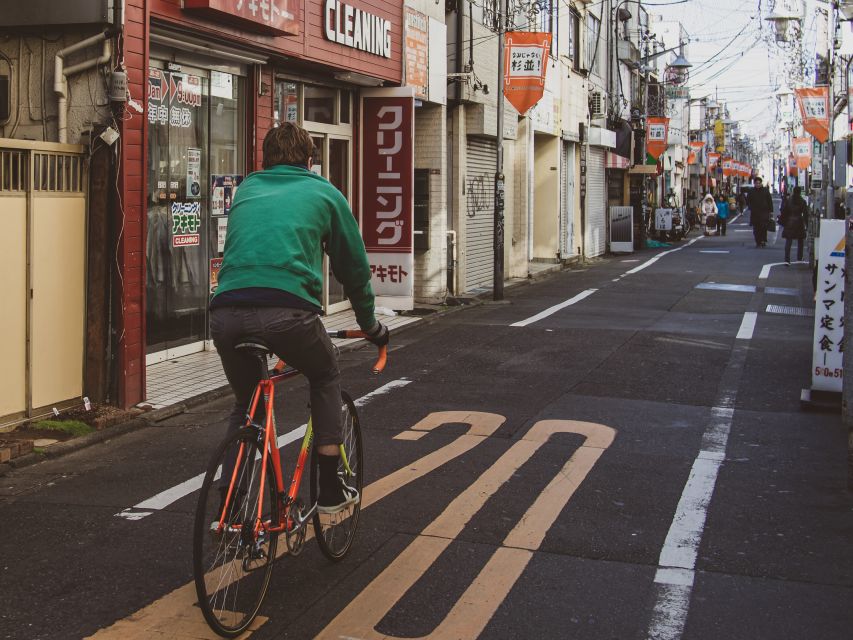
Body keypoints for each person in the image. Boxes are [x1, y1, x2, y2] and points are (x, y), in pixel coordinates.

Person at [209, 122, 389, 514]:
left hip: (225, 313)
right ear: (310, 161)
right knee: (325, 373)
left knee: (248, 402)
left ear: (265, 159)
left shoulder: (247, 189)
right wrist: (371, 325)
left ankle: (229, 504)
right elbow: (354, 270)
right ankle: (328, 490)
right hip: (288, 314)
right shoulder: (325, 193)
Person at [780, 185, 807, 264]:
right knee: (800, 240)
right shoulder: (802, 201)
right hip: (799, 222)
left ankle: (787, 259)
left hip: (789, 222)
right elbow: (805, 213)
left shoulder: (789, 200)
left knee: (789, 241)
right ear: (800, 192)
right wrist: (807, 224)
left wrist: (783, 222)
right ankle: (799, 257)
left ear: (793, 191)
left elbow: (784, 211)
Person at [747, 176, 773, 247]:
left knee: (764, 227)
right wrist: (750, 207)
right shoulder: (751, 191)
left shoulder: (765, 191)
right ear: (754, 184)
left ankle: (763, 240)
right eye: (756, 183)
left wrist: (771, 211)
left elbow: (769, 201)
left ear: (761, 183)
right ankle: (758, 241)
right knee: (756, 228)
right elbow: (748, 200)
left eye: (759, 183)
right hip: (755, 212)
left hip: (764, 212)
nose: (758, 184)